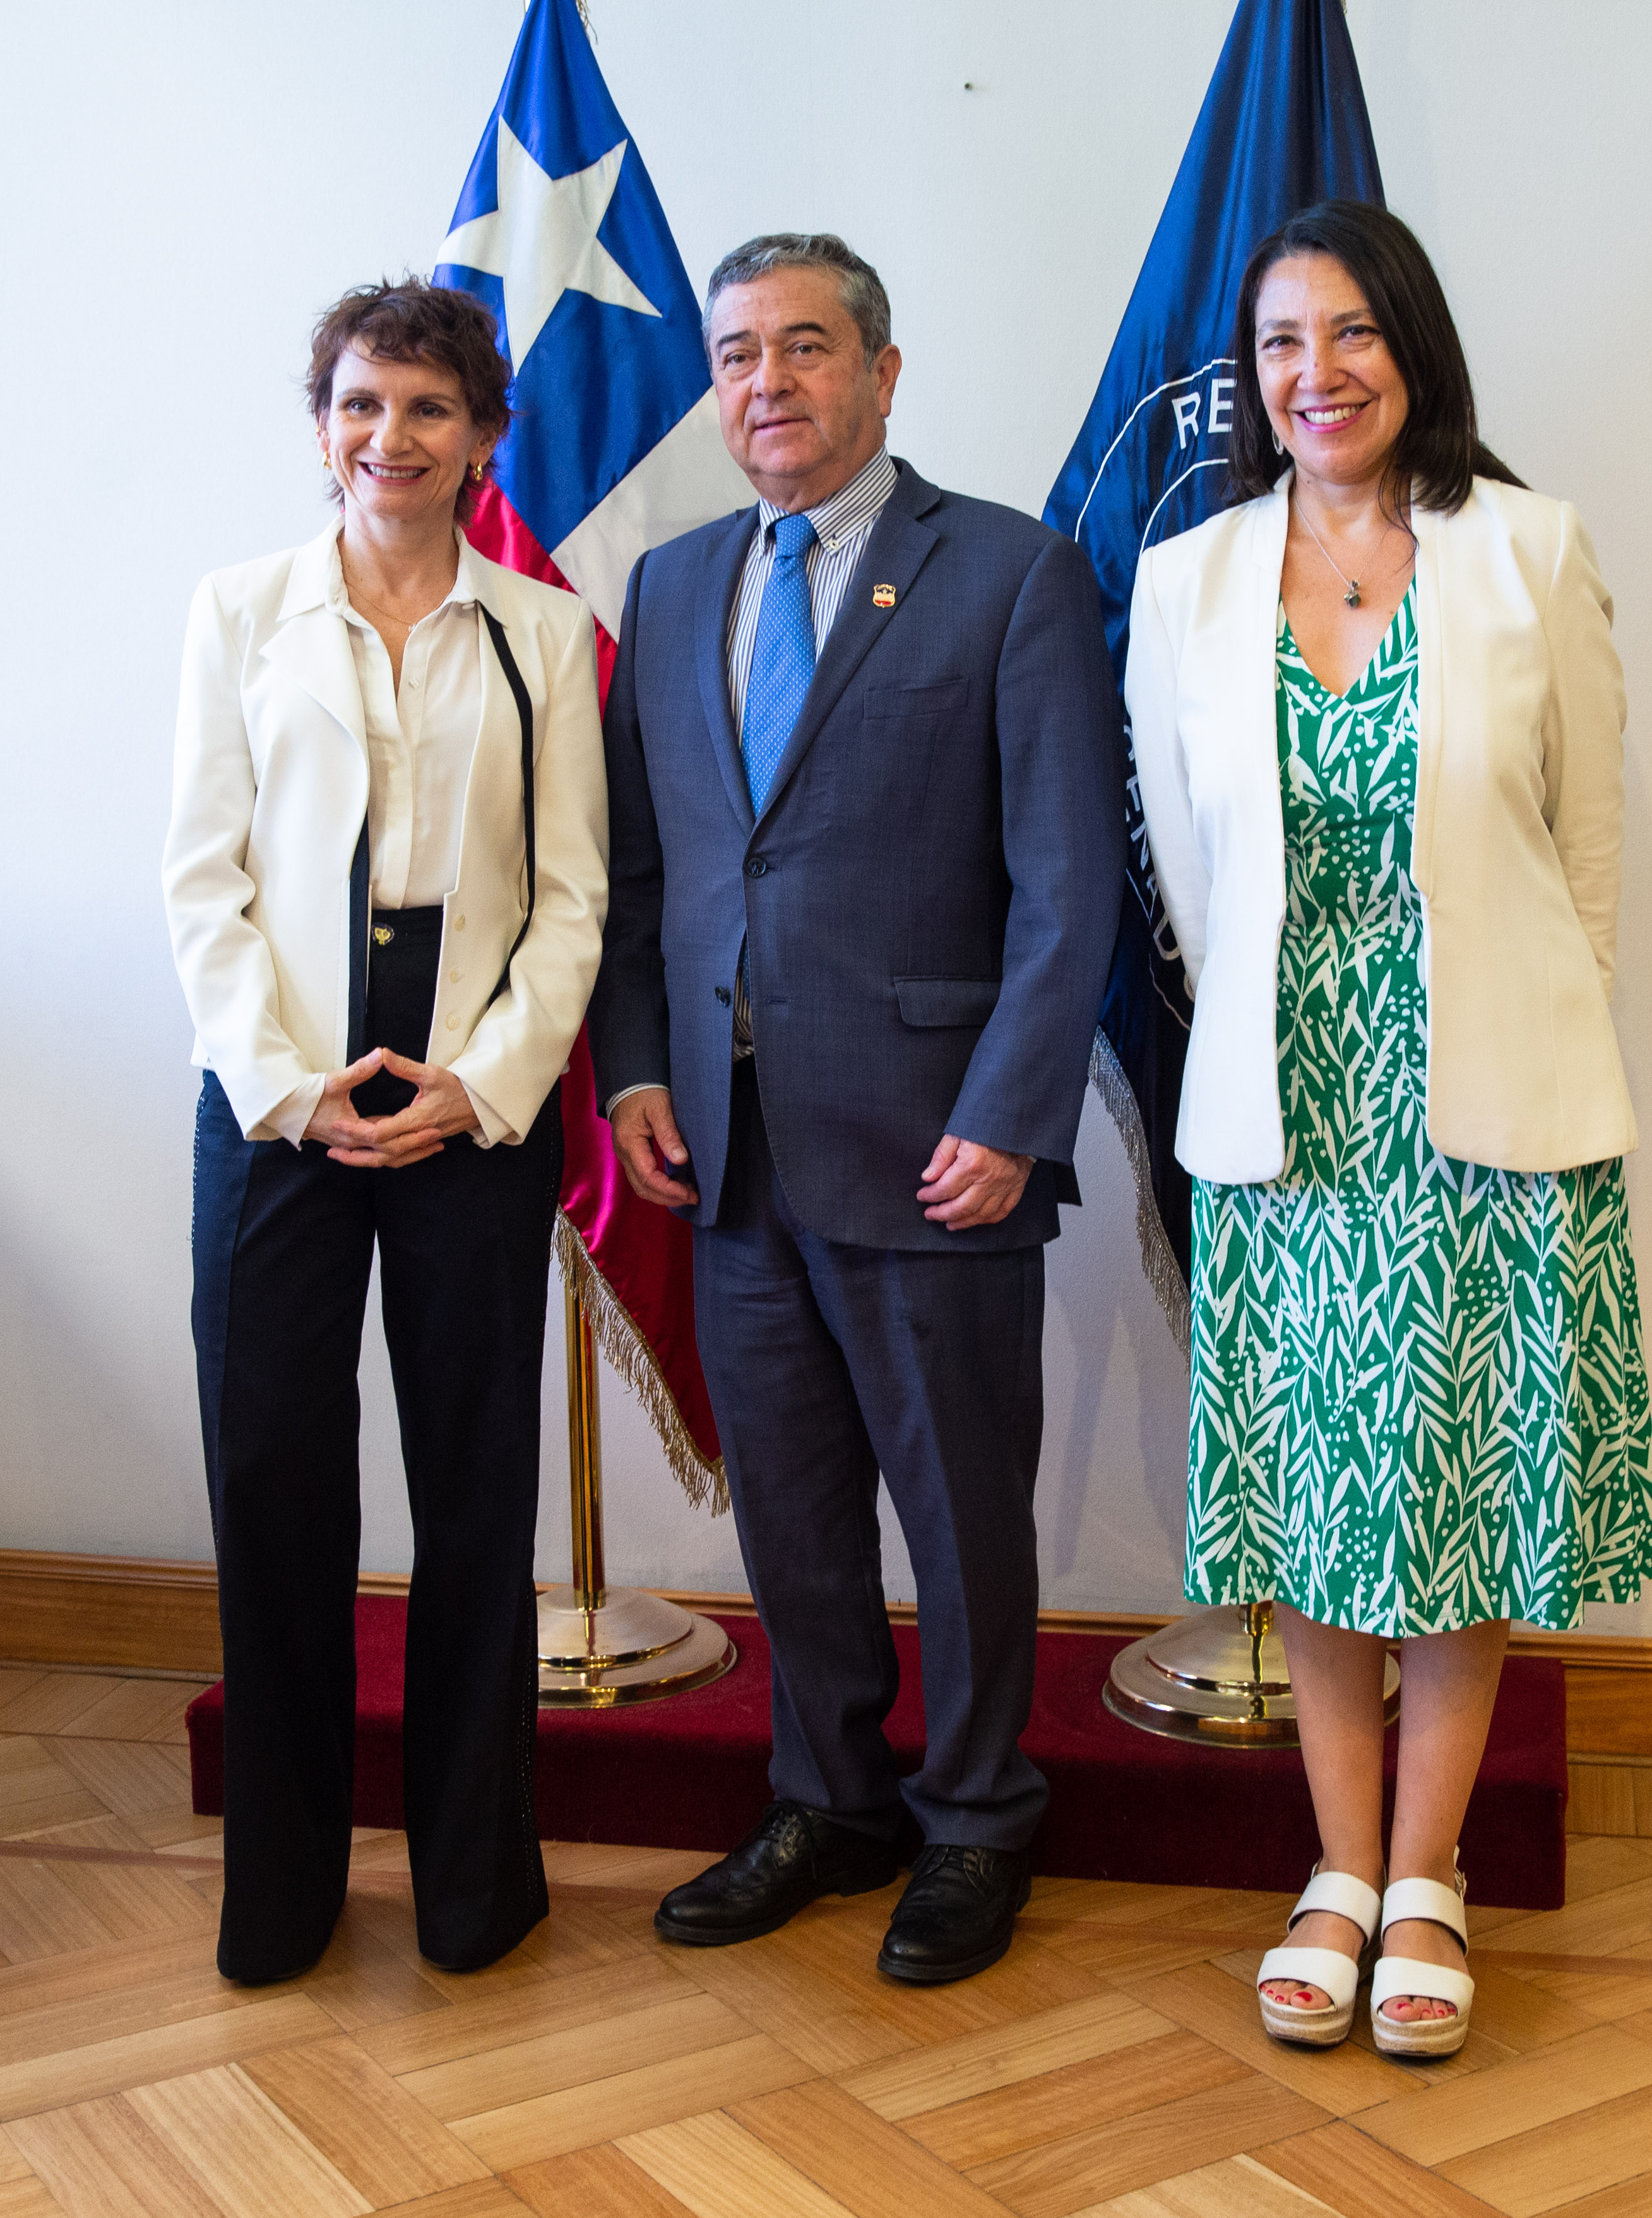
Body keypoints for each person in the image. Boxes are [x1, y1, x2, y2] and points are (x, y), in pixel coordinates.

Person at [1128, 201, 1652, 2059]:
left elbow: (1586, 860)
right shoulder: (1186, 579)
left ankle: (1427, 1873)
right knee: (1323, 1496)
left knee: (1461, 1489)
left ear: (1412, 346)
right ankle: (1338, 1868)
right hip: (1291, 1114)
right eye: (1282, 342)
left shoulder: (1529, 550)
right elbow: (1193, 881)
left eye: (1351, 332)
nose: (1317, 373)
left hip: (1488, 1109)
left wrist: (1520, 1031)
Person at [590, 234, 1123, 1985]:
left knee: (959, 1509)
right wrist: (639, 1070)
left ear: (883, 373)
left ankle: (976, 1814)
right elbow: (650, 871)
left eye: (807, 346)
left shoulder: (1012, 573)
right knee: (794, 1509)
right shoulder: (673, 586)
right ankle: (830, 1798)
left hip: (937, 1144)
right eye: (740, 352)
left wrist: (1015, 1110)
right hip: (731, 1151)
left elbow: (1067, 886)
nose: (769, 382)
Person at [164, 279, 607, 1984]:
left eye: (428, 408)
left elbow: (572, 900)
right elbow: (201, 882)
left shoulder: (545, 634)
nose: (390, 436)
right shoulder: (237, 610)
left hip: (468, 1095)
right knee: (274, 1487)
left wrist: (479, 1086)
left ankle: (474, 1892)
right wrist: (289, 1089)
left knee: (477, 1498)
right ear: (322, 424)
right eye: (360, 402)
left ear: (482, 436)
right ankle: (281, 1898)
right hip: (279, 1091)